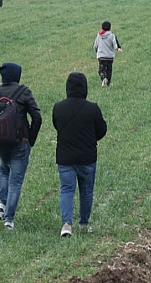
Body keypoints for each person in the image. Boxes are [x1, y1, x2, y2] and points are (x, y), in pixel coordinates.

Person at [0, 62, 42, 230]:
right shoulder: (24, 92)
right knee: (15, 181)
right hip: (20, 141)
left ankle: (0, 205)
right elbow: (37, 117)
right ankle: (9, 220)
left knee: (3, 170)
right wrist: (30, 139)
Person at [53, 72, 107, 238]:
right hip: (87, 157)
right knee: (86, 191)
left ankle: (67, 224)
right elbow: (102, 130)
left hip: (65, 157)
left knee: (66, 190)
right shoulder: (92, 108)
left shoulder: (58, 108)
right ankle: (84, 223)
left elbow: (57, 125)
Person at [93, 21, 123, 87]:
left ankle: (104, 78)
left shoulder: (99, 35)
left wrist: (96, 51)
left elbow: (95, 45)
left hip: (101, 56)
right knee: (109, 70)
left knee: (101, 70)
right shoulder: (112, 35)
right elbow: (115, 43)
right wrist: (118, 49)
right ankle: (108, 83)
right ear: (110, 28)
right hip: (110, 56)